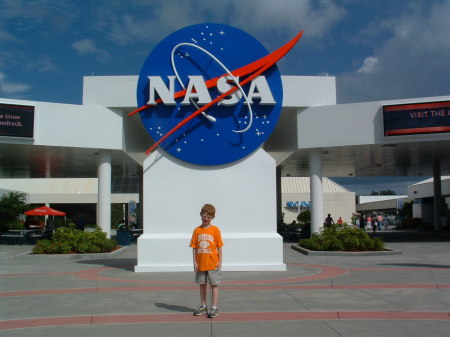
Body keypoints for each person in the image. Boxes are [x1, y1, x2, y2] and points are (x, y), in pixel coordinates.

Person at [190, 204, 223, 318]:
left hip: (213, 263)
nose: (206, 219)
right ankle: (203, 306)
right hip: (201, 263)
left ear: (213, 217)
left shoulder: (215, 230)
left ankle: (214, 307)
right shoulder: (197, 230)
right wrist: (195, 262)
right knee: (202, 285)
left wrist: (220, 261)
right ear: (200, 215)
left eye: (209, 217)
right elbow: (194, 247)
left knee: (214, 285)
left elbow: (219, 246)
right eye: (204, 216)